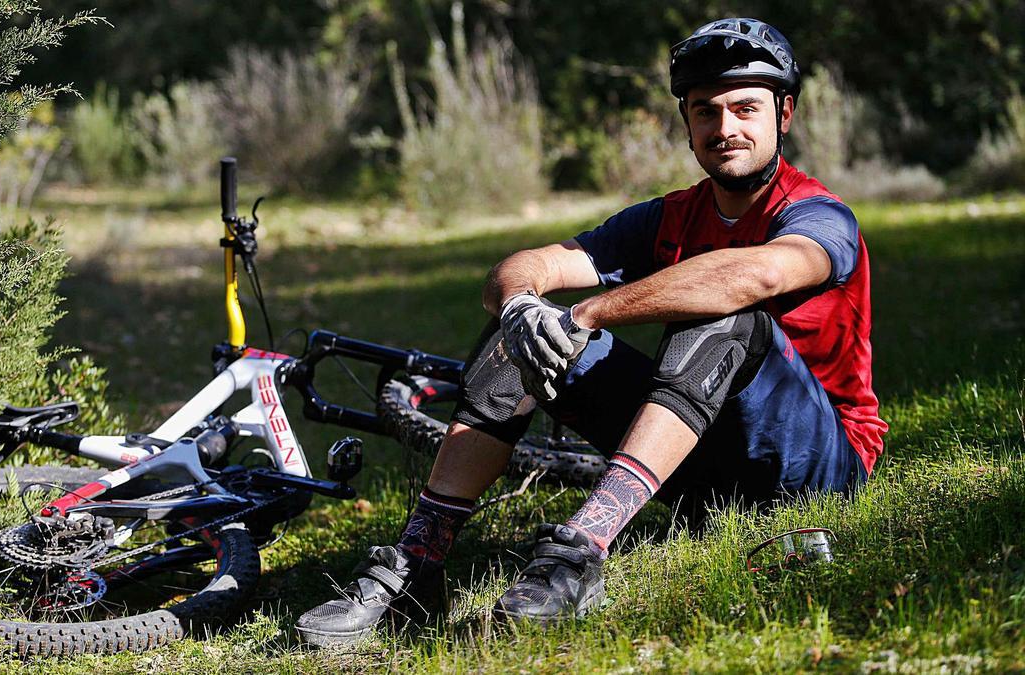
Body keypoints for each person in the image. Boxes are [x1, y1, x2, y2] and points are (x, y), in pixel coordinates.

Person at [294, 17, 887, 646]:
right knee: (517, 334)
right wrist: (522, 306)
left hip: (819, 471)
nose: (725, 129)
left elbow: (757, 275)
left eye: (745, 108)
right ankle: (418, 563)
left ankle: (579, 554)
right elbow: (525, 267)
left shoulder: (818, 214)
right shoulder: (669, 216)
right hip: (704, 475)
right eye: (705, 112)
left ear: (784, 113)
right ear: (686, 123)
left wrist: (588, 313)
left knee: (725, 317)